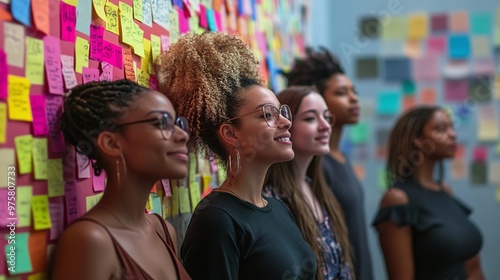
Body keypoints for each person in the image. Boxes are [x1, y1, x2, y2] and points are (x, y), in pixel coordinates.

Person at [155, 32, 317, 280]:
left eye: (282, 112)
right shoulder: (217, 220)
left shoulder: (278, 208)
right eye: (267, 115)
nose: (285, 121)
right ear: (231, 134)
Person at [50, 80, 192, 280]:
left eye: (178, 124)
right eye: (161, 123)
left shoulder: (164, 230)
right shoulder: (90, 240)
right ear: (111, 143)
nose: (182, 135)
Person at [285, 47, 373, 280]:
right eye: (342, 93)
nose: (354, 98)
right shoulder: (316, 167)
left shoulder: (340, 159)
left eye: (354, 91)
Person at [372, 106, 484, 280]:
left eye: (451, 127)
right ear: (417, 140)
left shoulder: (445, 191)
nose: (453, 134)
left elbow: (472, 267)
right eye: (441, 129)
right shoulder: (398, 199)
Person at [264, 86, 354, 280]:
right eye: (310, 118)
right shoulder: (272, 200)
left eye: (327, 117)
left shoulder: (317, 189)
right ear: (285, 125)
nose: (325, 126)